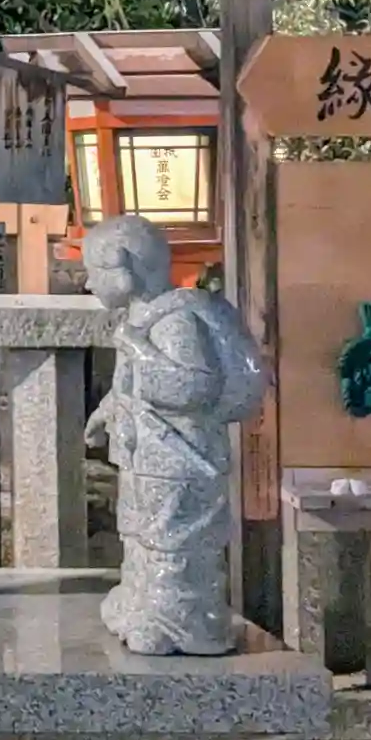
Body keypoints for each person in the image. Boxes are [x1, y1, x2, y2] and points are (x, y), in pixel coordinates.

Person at [81, 213, 266, 656]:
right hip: (145, 457)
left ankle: (180, 622)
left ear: (124, 268)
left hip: (181, 459)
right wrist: (107, 411)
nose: (88, 284)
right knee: (139, 533)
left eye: (93, 272)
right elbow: (130, 388)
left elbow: (193, 386)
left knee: (173, 540)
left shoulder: (175, 321)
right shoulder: (145, 317)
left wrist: (137, 348)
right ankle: (140, 603)